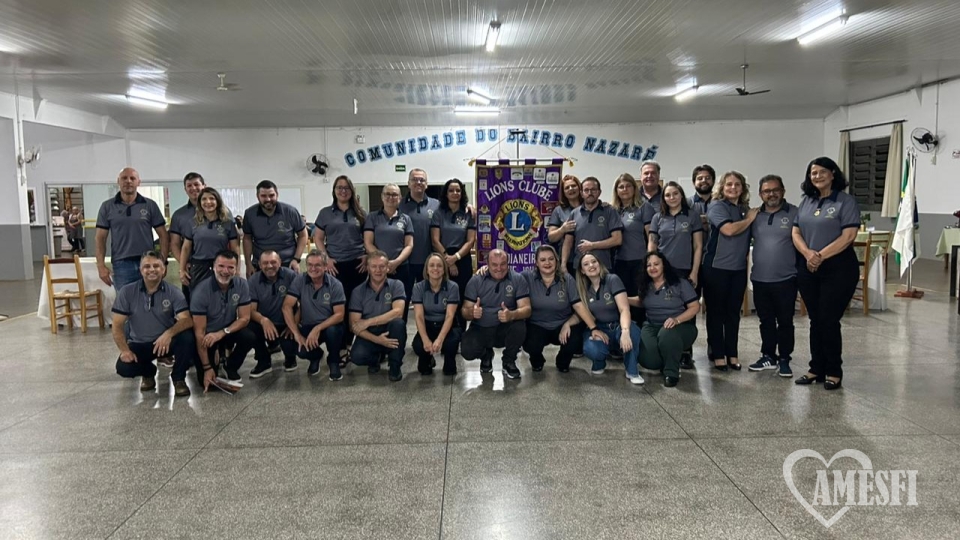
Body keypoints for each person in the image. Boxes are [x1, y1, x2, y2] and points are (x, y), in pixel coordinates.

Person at [792, 157, 860, 390]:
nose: (817, 176)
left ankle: (833, 370)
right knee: (815, 320)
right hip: (808, 267)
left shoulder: (845, 201)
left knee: (828, 320)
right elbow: (796, 232)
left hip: (838, 268)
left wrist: (819, 256)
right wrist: (808, 254)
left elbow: (848, 236)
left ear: (833, 174)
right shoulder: (806, 202)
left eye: (822, 172)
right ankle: (815, 369)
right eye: (813, 173)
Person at [111, 250, 197, 397]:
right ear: (140, 270)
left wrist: (169, 333)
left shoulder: (173, 292)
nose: (152, 270)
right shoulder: (127, 292)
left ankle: (178, 378)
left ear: (163, 269)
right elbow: (117, 325)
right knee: (123, 368)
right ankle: (149, 372)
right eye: (147, 266)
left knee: (187, 337)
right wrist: (125, 350)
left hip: (165, 343)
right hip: (139, 343)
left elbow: (187, 320)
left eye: (156, 266)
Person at [702, 171, 757, 371]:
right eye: (729, 185)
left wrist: (750, 216)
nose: (733, 188)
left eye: (737, 185)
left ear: (743, 188)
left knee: (734, 313)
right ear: (722, 188)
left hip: (738, 270)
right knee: (716, 313)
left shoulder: (744, 209)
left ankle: (732, 354)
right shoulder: (717, 206)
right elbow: (729, 230)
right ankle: (718, 355)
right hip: (716, 268)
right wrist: (750, 219)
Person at [747, 175, 799, 378]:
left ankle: (785, 358)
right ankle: (768, 355)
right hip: (760, 278)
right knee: (765, 320)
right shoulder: (754, 215)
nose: (771, 194)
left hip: (786, 278)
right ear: (761, 194)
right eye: (767, 191)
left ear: (783, 191)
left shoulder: (794, 212)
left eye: (775, 190)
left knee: (785, 321)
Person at [314, 175, 367, 363]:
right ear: (334, 190)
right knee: (339, 308)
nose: (343, 191)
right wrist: (326, 258)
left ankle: (352, 344)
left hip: (358, 266)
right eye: (339, 187)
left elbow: (369, 239)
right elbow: (318, 238)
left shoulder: (360, 213)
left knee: (356, 307)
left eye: (346, 188)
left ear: (351, 191)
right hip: (334, 266)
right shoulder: (326, 213)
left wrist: (367, 255)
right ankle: (340, 348)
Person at [522, 245, 599, 373]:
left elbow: (578, 305)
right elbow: (507, 276)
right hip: (537, 325)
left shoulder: (567, 279)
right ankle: (537, 360)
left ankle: (563, 361)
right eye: (543, 260)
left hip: (562, 325)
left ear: (557, 261)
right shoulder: (526, 277)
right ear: (536, 262)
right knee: (530, 343)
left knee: (575, 340)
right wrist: (487, 269)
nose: (547, 263)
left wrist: (594, 328)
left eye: (551, 259)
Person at [460, 249, 531, 379]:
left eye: (503, 264)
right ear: (487, 264)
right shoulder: (475, 281)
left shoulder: (517, 279)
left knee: (519, 326)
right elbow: (464, 311)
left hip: (505, 328)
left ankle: (508, 361)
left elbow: (526, 309)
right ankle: (486, 354)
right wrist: (472, 312)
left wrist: (512, 315)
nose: (499, 268)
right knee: (467, 350)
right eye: (494, 264)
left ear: (508, 263)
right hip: (481, 327)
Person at [190, 250, 256, 388]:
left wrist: (222, 333)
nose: (225, 271)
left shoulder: (242, 285)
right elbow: (199, 333)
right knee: (209, 382)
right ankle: (212, 360)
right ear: (213, 266)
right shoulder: (200, 291)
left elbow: (244, 318)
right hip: (207, 336)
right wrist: (207, 368)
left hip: (227, 331)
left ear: (236, 268)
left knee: (249, 336)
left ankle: (230, 366)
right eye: (221, 266)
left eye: (230, 267)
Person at [95, 167, 169, 290]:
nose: (128, 181)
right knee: (125, 304)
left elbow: (163, 235)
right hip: (121, 265)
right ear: (118, 181)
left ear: (138, 182)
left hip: (148, 263)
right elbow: (100, 238)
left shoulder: (150, 205)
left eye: (132, 178)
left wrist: (163, 262)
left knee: (150, 301)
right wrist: (100, 266)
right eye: (124, 178)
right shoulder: (107, 207)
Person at [576, 253, 644, 384]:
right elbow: (580, 314)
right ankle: (599, 363)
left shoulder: (612, 279)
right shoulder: (583, 289)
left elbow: (624, 309)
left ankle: (632, 370)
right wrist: (567, 324)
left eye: (594, 261)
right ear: (582, 271)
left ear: (599, 264)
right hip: (599, 328)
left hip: (618, 325)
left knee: (632, 333)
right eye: (586, 264)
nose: (591, 265)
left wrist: (625, 331)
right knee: (592, 348)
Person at [634, 253, 700, 387]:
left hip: (681, 326)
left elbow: (695, 307)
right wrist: (622, 299)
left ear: (664, 265)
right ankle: (668, 359)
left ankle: (671, 372)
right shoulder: (645, 285)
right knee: (648, 360)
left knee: (667, 334)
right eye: (649, 265)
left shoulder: (679, 283)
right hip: (652, 325)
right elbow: (641, 302)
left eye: (656, 264)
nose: (652, 268)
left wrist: (677, 320)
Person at [283, 250, 346, 380]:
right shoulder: (299, 280)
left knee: (333, 331)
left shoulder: (335, 284)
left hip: (329, 325)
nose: (313, 268)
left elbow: (339, 314)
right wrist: (296, 333)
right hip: (307, 324)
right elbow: (287, 306)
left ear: (325, 266)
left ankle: (334, 362)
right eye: (310, 265)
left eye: (317, 265)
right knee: (294, 345)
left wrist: (318, 328)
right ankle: (315, 356)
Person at [348, 250, 408, 382]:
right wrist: (377, 340)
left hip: (389, 329)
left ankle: (395, 366)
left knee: (398, 324)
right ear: (368, 268)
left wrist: (368, 321)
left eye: (381, 266)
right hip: (370, 334)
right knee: (357, 356)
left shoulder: (397, 285)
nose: (378, 270)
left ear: (388, 268)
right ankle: (375, 359)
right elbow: (355, 325)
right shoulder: (358, 291)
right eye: (374, 266)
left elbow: (398, 312)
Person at [363, 184, 414, 320]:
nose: (391, 197)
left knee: (401, 304)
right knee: (378, 303)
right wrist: (383, 263)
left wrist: (396, 262)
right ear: (382, 197)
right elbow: (368, 243)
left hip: (401, 268)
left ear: (400, 198)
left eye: (395, 194)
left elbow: (409, 245)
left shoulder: (406, 219)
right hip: (377, 269)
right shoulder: (372, 217)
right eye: (388, 194)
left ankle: (399, 336)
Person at [430, 178, 476, 328]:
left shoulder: (468, 213)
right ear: (446, 193)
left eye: (458, 190)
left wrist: (455, 258)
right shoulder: (439, 213)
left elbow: (470, 241)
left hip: (462, 258)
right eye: (451, 190)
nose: (455, 193)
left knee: (462, 296)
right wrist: (447, 260)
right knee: (445, 296)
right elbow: (435, 240)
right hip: (442, 258)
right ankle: (445, 332)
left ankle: (461, 332)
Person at [247, 250, 299, 378]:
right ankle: (263, 362)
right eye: (265, 263)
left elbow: (303, 304)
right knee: (248, 329)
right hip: (265, 324)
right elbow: (251, 310)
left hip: (287, 323)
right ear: (259, 264)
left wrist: (294, 325)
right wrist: (263, 320)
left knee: (290, 344)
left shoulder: (291, 276)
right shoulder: (253, 281)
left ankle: (290, 358)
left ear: (280, 262)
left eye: (273, 262)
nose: (269, 266)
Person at [178, 187, 239, 294]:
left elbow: (235, 248)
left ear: (218, 201)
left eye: (212, 198)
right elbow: (186, 248)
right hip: (198, 268)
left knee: (221, 299)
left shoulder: (227, 223)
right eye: (204, 199)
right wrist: (182, 270)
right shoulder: (192, 223)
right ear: (200, 203)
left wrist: (237, 269)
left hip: (221, 267)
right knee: (197, 300)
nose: (208, 202)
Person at [242, 180, 307, 278]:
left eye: (271, 195)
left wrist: (296, 259)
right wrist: (248, 263)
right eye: (263, 196)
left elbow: (303, 235)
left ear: (277, 195)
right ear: (257, 196)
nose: (268, 199)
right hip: (260, 265)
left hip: (287, 263)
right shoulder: (249, 214)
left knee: (292, 293)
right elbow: (247, 238)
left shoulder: (290, 211)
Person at [411, 253, 462, 375]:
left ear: (444, 269)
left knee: (450, 347)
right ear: (427, 269)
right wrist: (425, 340)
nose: (435, 269)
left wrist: (439, 339)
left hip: (447, 325)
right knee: (418, 347)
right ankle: (427, 359)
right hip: (428, 325)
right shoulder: (418, 287)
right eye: (432, 265)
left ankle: (449, 360)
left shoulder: (453, 287)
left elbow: (450, 316)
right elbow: (418, 316)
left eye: (439, 266)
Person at [612, 173, 655, 314]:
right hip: (618, 262)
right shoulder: (613, 211)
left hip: (638, 261)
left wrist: (651, 257)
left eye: (628, 186)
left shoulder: (643, 207)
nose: (625, 189)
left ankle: (641, 332)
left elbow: (651, 235)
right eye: (621, 187)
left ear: (634, 188)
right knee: (621, 300)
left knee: (639, 300)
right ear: (616, 190)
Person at [561, 176, 623, 273]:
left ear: (599, 192)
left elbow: (617, 239)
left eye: (593, 190)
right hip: (580, 269)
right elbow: (568, 242)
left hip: (603, 267)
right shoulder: (574, 213)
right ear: (581, 193)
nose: (590, 193)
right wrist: (563, 264)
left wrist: (592, 245)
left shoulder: (610, 211)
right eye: (586, 190)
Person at [648, 182, 703, 286]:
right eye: (667, 195)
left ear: (681, 195)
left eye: (675, 193)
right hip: (662, 269)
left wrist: (694, 272)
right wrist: (652, 267)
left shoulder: (693, 216)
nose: (672, 197)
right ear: (663, 198)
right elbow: (652, 245)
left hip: (685, 268)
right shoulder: (657, 217)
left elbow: (698, 246)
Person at [400, 168, 441, 291]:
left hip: (429, 263)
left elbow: (454, 208)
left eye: (422, 180)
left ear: (427, 184)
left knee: (428, 300)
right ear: (408, 184)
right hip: (405, 262)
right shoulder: (399, 205)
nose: (418, 182)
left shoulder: (437, 205)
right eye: (414, 180)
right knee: (403, 299)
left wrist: (468, 206)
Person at [169, 172, 208, 297]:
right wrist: (183, 265)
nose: (193, 188)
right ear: (185, 189)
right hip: (192, 270)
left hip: (218, 267)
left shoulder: (221, 212)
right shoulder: (179, 215)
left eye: (196, 184)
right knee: (192, 305)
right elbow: (174, 244)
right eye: (189, 185)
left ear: (204, 186)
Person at [547, 174, 582, 263]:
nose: (571, 189)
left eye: (574, 186)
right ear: (563, 192)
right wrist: (562, 229)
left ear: (579, 188)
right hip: (567, 260)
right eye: (567, 187)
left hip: (589, 258)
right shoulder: (559, 210)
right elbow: (551, 237)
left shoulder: (590, 207)